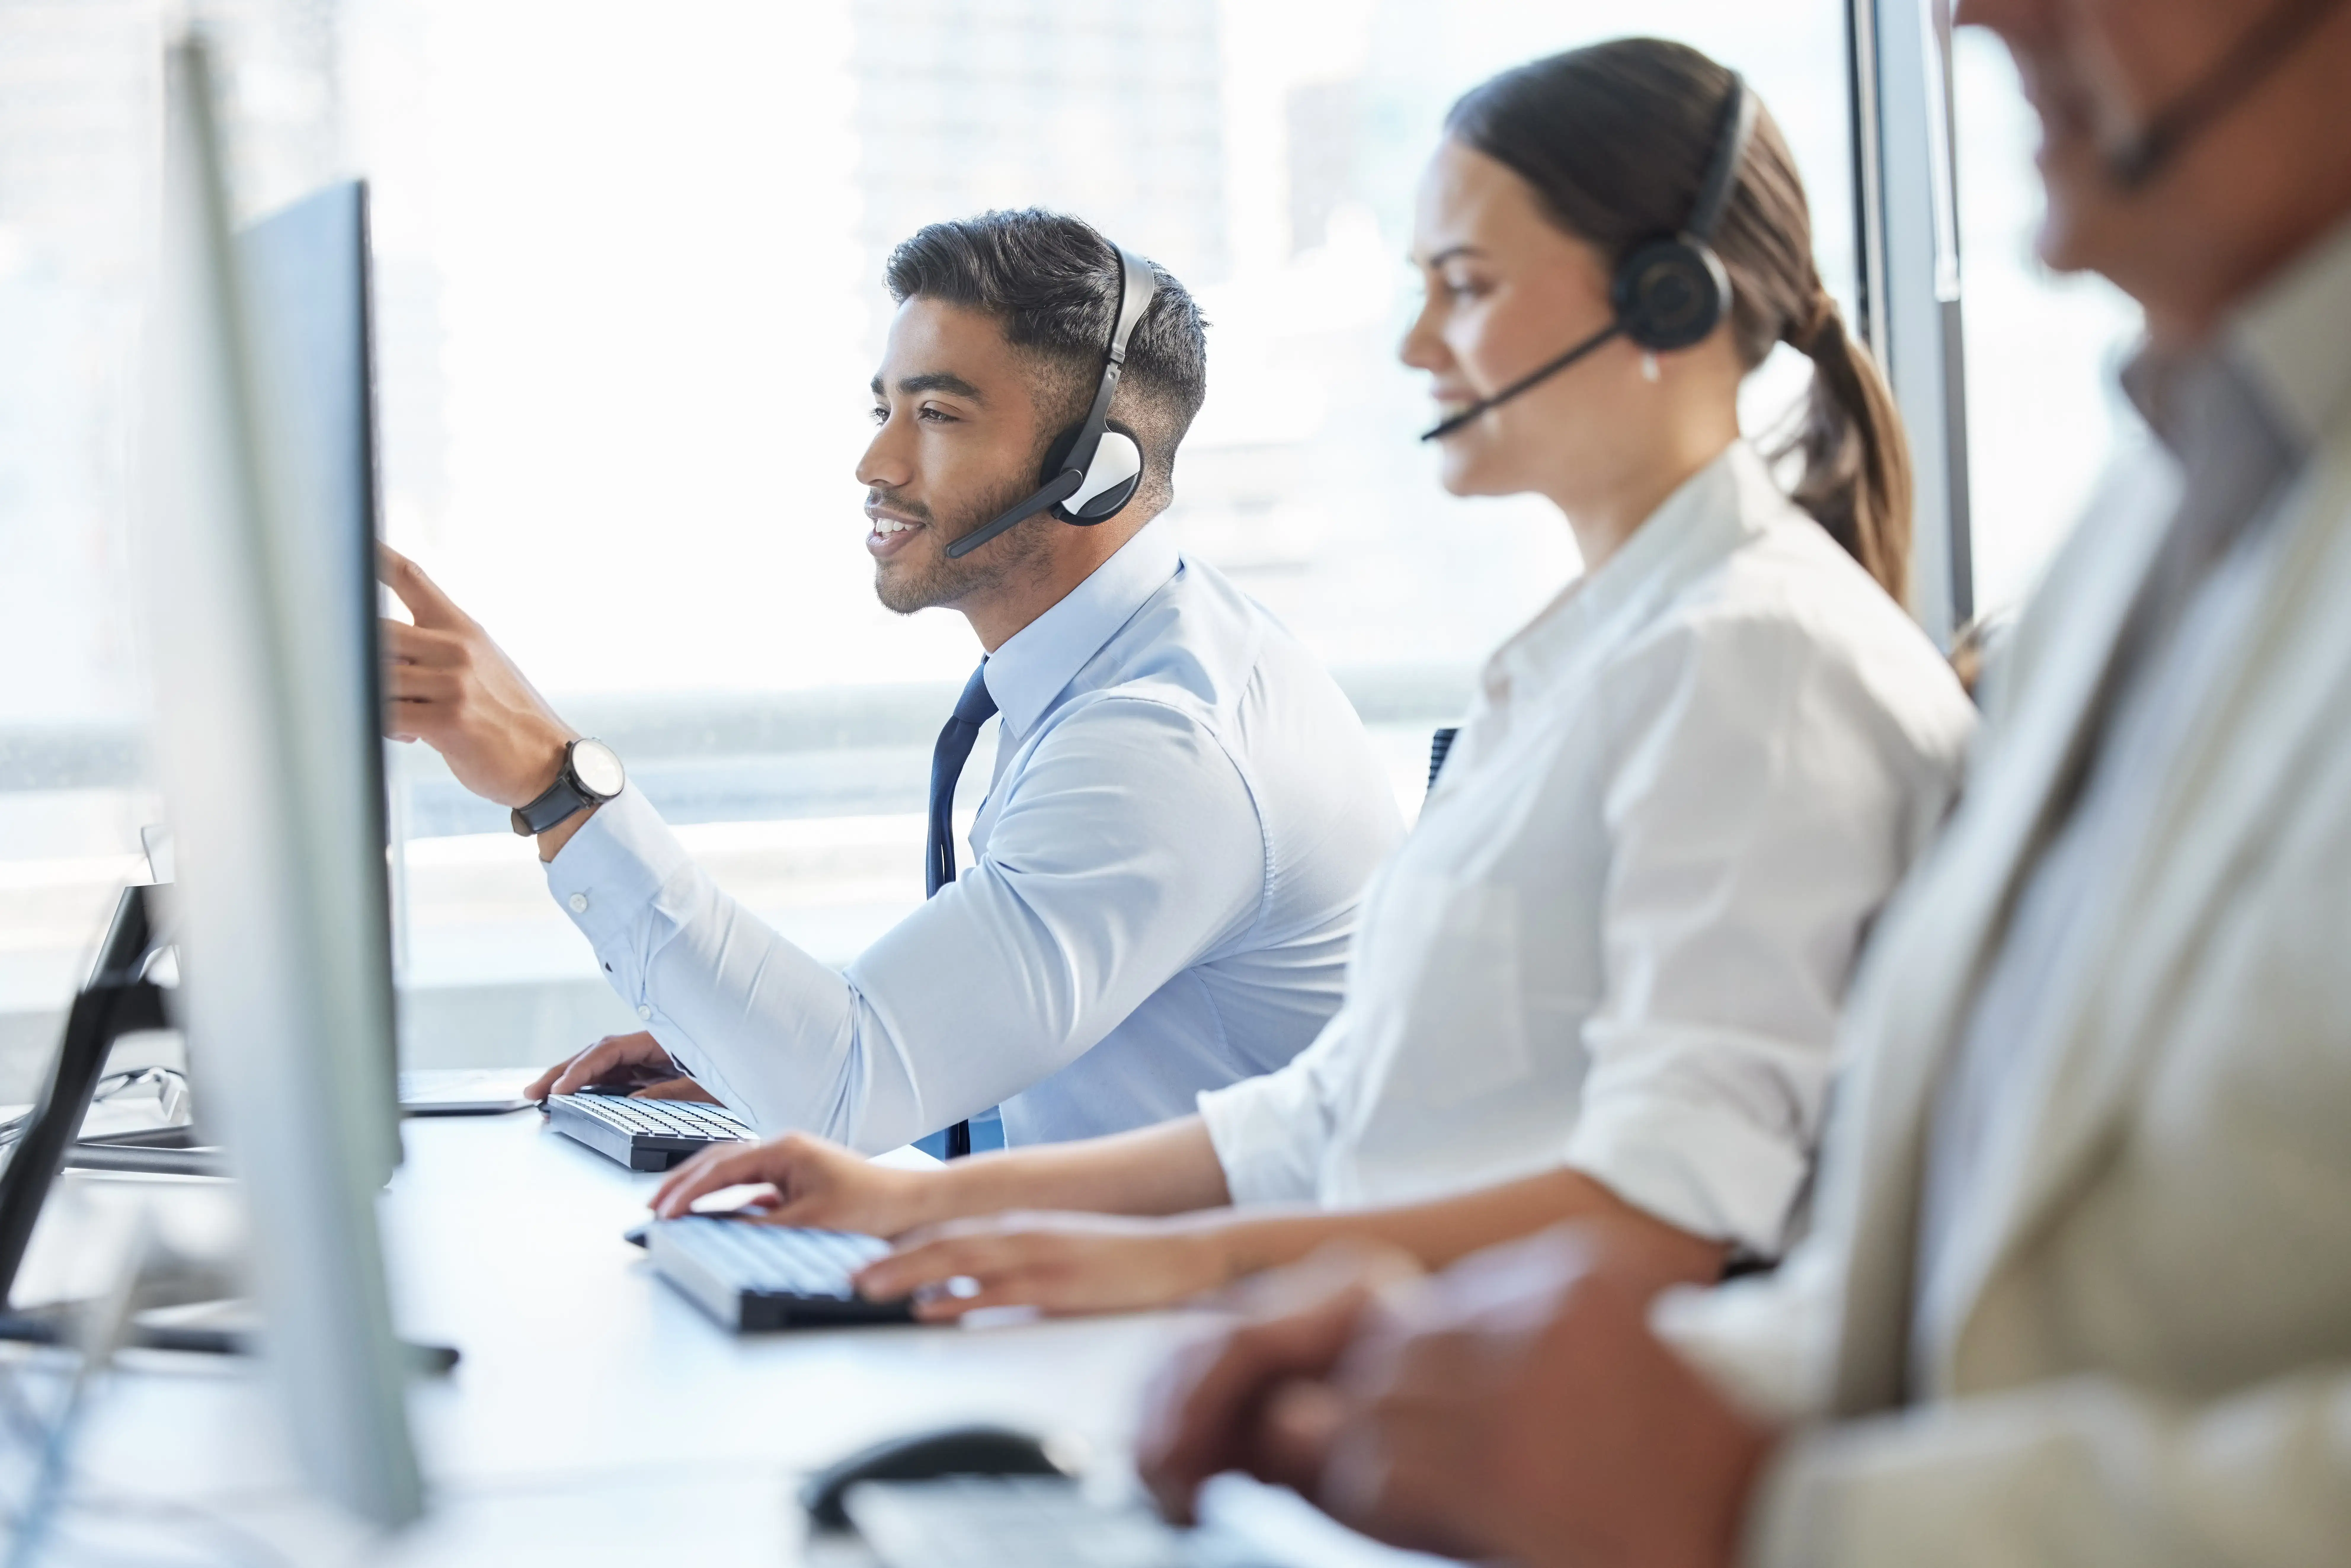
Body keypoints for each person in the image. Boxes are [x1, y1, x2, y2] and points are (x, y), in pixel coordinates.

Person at [1139, 0, 2351, 1561]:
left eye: (1467, 284)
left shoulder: (1763, 649)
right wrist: (1487, 1384)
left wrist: (1774, 1508)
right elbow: (1933, 1303)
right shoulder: (2167, 511)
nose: (1975, 12)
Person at [648, 40, 1977, 1318]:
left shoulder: (1753, 667)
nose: (1416, 345)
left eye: (1465, 285)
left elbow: (1682, 1210)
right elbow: (1337, 1112)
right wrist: (926, 1208)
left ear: (1666, 303)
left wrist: (1179, 1269)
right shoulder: (1598, 653)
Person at [381, 210, 1405, 1152]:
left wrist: (558, 782)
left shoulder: (1160, 742)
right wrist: (748, 1056)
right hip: (1130, 1285)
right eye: (884, 407)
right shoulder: (1128, 659)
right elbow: (1039, 1066)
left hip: (1219, 1326)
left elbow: (847, 1088)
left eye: (937, 416)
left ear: (1094, 471)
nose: (875, 460)